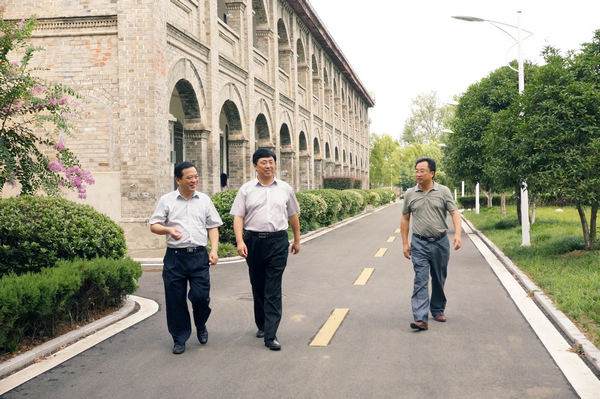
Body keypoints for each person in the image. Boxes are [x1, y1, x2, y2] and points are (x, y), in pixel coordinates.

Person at [230, 148, 301, 351]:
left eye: (271, 162)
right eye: (264, 162)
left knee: (273, 287)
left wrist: (297, 240)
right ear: (255, 166)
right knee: (258, 285)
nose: (268, 165)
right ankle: (262, 324)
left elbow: (293, 215)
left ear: (275, 164)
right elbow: (238, 216)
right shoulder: (246, 189)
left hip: (278, 241)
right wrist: (239, 241)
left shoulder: (285, 188)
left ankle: (271, 334)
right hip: (253, 242)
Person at [149, 161, 223, 354]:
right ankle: (179, 337)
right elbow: (154, 225)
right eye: (189, 177)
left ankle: (201, 323)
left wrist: (214, 250)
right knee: (175, 300)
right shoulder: (167, 200)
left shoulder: (204, 200)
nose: (194, 180)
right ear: (178, 179)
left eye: (196, 176)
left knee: (200, 297)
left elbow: (213, 226)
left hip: (199, 256)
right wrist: (168, 229)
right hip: (175, 257)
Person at [400, 157, 462, 331]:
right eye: (416, 170)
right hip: (419, 243)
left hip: (440, 243)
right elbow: (405, 218)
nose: (418, 174)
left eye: (422, 171)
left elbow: (454, 213)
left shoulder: (443, 191)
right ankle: (421, 318)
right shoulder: (410, 194)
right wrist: (405, 243)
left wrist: (457, 234)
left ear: (432, 173)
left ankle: (437, 308)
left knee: (439, 278)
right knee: (420, 279)